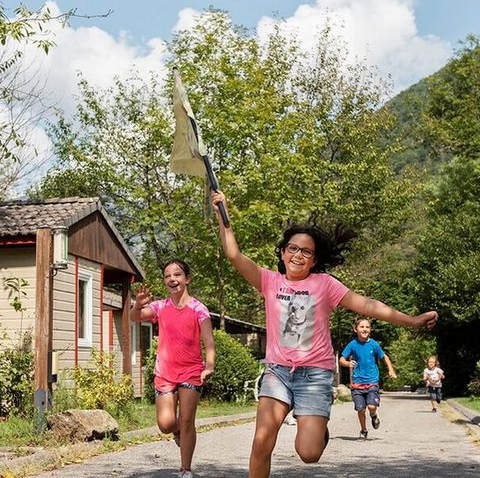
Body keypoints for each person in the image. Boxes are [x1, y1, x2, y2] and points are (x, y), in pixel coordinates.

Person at [210, 190, 438, 478]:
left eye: (306, 252)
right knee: (261, 442)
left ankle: (316, 428)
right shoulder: (269, 281)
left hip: (315, 376)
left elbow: (367, 304)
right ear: (282, 252)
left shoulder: (325, 284)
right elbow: (233, 254)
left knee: (309, 454)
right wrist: (222, 213)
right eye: (293, 248)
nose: (298, 255)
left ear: (314, 260)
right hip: (278, 372)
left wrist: (412, 321)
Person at [130, 258, 215, 478]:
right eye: (167, 276)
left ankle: (185, 469)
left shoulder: (198, 309)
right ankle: (177, 431)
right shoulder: (160, 306)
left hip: (191, 371)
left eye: (177, 275)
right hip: (165, 373)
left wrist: (209, 365)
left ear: (187, 279)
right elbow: (135, 317)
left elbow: (209, 342)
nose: (172, 279)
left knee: (187, 419)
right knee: (166, 424)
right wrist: (138, 304)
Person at [339, 317, 397, 439]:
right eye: (362, 327)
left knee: (371, 406)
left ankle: (374, 415)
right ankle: (364, 429)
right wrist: (348, 364)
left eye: (367, 327)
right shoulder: (353, 344)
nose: (365, 329)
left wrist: (391, 370)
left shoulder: (373, 344)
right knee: (360, 409)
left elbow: (384, 356)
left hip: (372, 381)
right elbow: (341, 359)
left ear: (370, 330)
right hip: (357, 382)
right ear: (355, 329)